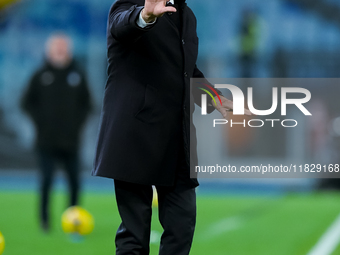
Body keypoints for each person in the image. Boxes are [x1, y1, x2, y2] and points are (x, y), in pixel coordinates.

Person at [92, 0, 245, 254]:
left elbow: (186, 70)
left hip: (177, 139)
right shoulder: (131, 4)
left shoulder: (188, 15)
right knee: (134, 237)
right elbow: (122, 26)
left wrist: (215, 97)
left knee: (182, 228)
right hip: (136, 136)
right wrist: (146, 15)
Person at [21, 33, 92, 232]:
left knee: (75, 183)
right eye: (57, 47)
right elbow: (26, 102)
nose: (61, 50)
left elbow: (88, 104)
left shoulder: (77, 74)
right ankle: (45, 221)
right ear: (49, 50)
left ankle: (74, 220)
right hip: (46, 141)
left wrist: (77, 124)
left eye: (64, 47)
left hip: (71, 140)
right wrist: (40, 123)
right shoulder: (40, 74)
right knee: (46, 182)